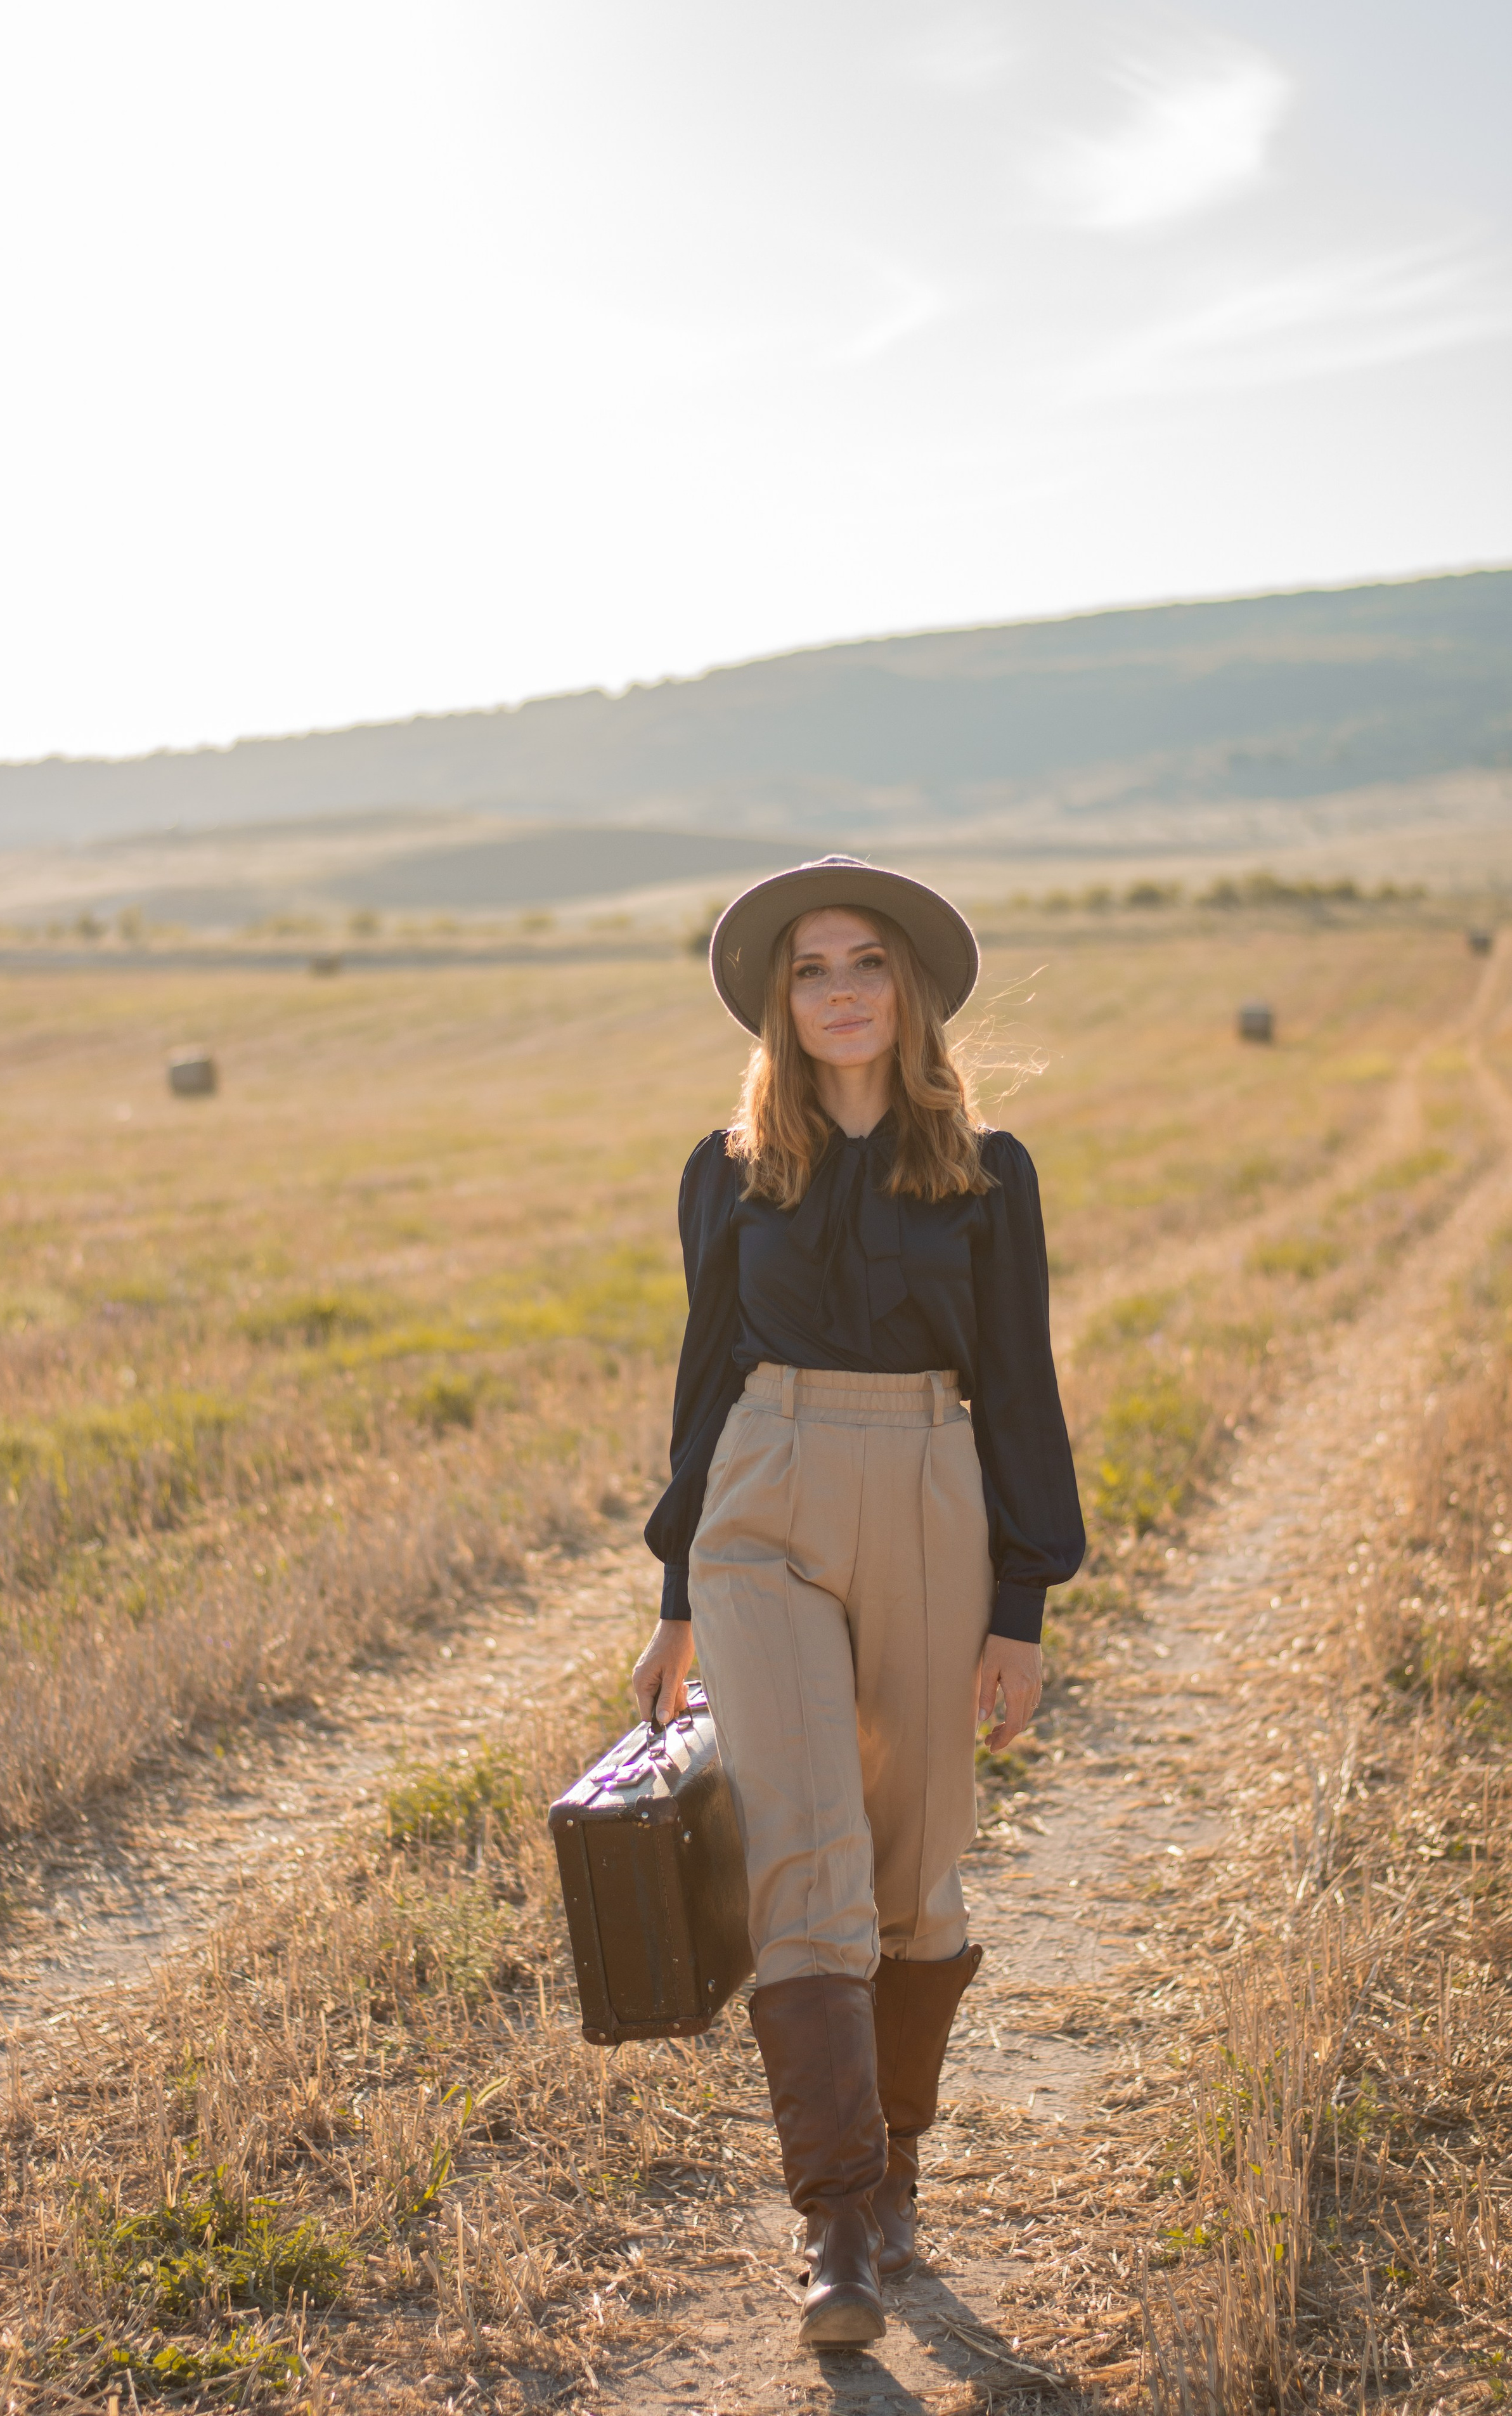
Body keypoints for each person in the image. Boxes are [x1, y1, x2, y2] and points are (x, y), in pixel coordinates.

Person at [633, 856, 1085, 2348]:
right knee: (805, 1853)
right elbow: (703, 1379)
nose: (837, 991)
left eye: (863, 964)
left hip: (927, 1486)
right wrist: (673, 1590)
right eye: (810, 969)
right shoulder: (726, 1168)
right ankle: (831, 2223)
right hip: (760, 1494)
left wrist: (1018, 1602)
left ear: (908, 993)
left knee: (912, 1867)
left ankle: (895, 2174)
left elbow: (1016, 1385)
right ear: (781, 1002)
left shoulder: (987, 1171)